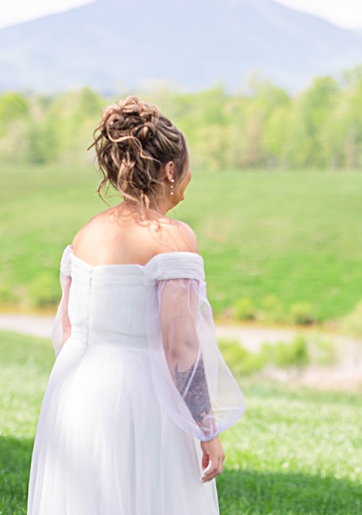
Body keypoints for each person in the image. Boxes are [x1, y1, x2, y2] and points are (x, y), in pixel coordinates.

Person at [27, 97, 246, 514]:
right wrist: (206, 429)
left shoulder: (86, 232)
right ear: (169, 171)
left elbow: (68, 329)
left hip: (76, 394)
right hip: (143, 400)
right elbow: (180, 347)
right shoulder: (173, 238)